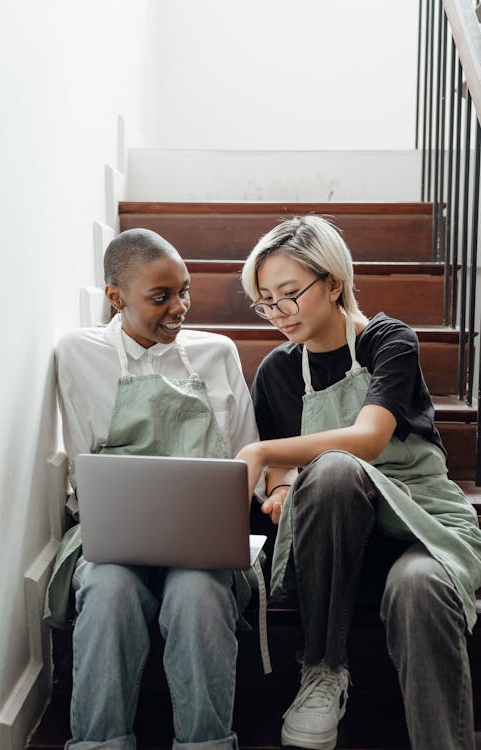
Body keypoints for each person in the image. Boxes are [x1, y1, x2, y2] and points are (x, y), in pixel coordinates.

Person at [236, 214, 481, 750]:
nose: (277, 312)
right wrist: (278, 489)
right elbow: (282, 472)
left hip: (421, 521)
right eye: (264, 301)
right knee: (332, 474)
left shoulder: (389, 342)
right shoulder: (278, 371)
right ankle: (323, 667)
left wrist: (257, 452)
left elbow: (368, 440)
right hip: (338, 539)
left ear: (333, 283)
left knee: (419, 586)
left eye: (289, 294)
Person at [43, 228, 262, 750]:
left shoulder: (217, 352)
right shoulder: (77, 352)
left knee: (198, 593)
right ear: (114, 298)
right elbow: (79, 467)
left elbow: (246, 456)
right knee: (107, 588)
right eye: (160, 297)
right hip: (110, 534)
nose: (179, 307)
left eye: (184, 290)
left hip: (204, 539)